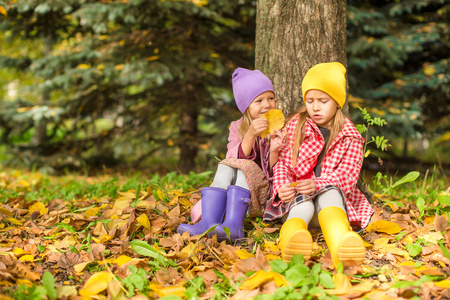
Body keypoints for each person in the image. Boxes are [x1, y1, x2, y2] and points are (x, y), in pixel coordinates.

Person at [263, 62, 374, 268]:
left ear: (337, 102)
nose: (315, 107)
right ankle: (292, 239)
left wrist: (319, 183)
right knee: (303, 204)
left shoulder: (350, 136)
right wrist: (281, 188)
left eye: (323, 101)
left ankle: (340, 241)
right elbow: (282, 164)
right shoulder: (297, 125)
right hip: (297, 200)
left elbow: (348, 177)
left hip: (329, 205)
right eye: (309, 100)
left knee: (330, 193)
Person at [177, 67, 285, 242]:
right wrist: (249, 135)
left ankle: (234, 226)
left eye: (270, 98)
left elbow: (277, 170)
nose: (267, 104)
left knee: (245, 167)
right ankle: (209, 222)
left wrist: (274, 149)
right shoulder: (237, 127)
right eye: (259, 100)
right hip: (234, 196)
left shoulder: (279, 127)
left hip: (261, 195)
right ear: (246, 106)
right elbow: (232, 159)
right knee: (226, 164)